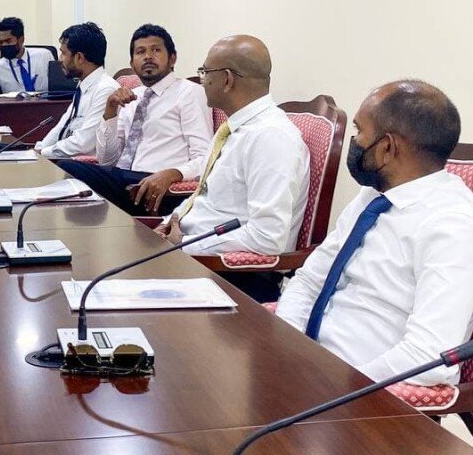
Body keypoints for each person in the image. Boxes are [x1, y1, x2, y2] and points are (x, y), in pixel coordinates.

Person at [276, 81, 473, 385]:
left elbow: (426, 358)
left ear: (388, 148)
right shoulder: (375, 195)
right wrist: (284, 345)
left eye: (359, 131)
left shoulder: (454, 228)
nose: (354, 141)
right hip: (305, 365)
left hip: (357, 391)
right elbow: (309, 280)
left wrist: (334, 385)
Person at [155, 35, 309, 302]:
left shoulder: (271, 137)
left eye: (205, 72)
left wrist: (186, 246)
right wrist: (169, 222)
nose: (202, 81)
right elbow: (202, 198)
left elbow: (267, 237)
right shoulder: (232, 129)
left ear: (227, 79)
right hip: (193, 257)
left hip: (232, 277)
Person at [58, 24, 212, 214]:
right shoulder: (132, 96)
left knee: (66, 168)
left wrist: (173, 174)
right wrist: (110, 112)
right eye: (140, 52)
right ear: (132, 63)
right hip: (126, 181)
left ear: (172, 58)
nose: (148, 56)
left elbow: (205, 157)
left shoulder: (189, 93)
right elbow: (107, 160)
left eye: (156, 50)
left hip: (160, 188)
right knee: (67, 174)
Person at [34, 22, 119, 159]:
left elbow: (84, 143)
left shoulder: (106, 89)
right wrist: (39, 149)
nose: (59, 59)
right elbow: (62, 127)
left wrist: (44, 153)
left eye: (63, 53)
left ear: (79, 57)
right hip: (65, 160)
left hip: (83, 165)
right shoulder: (83, 85)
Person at [0, 17, 53, 97]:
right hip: (16, 106)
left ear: (21, 39)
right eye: (0, 42)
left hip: (47, 105)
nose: (4, 45)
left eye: (8, 41)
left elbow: (58, 85)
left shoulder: (44, 56)